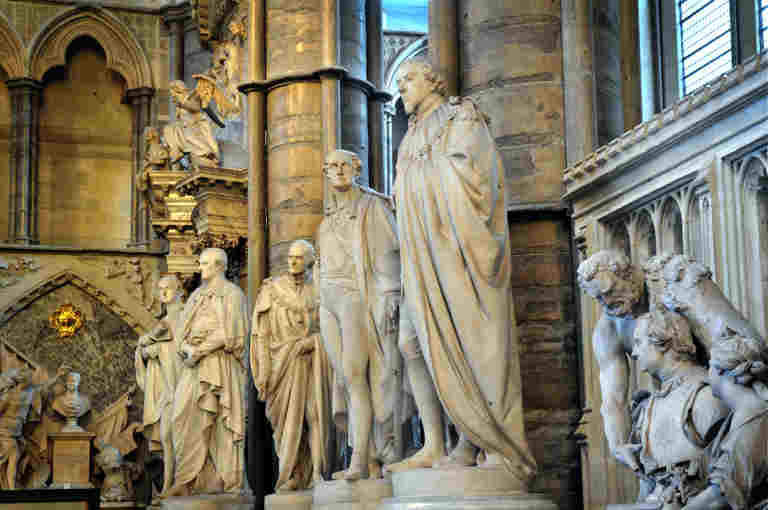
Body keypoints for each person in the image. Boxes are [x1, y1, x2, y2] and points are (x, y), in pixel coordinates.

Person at [384, 59, 536, 485]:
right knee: (412, 342)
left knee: (466, 341)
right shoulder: (410, 135)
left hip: (455, 253)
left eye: (408, 79)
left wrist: (421, 183)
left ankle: (483, 441)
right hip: (420, 255)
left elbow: (474, 179)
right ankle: (435, 442)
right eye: (397, 83)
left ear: (432, 80)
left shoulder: (460, 116)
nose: (402, 88)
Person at [316, 150, 404, 480]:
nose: (338, 171)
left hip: (355, 296)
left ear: (357, 169)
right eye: (332, 166)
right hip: (328, 302)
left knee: (356, 376)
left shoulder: (371, 207)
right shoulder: (325, 222)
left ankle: (362, 458)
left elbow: (387, 251)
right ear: (325, 173)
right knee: (344, 380)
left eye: (344, 165)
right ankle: (363, 458)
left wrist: (391, 292)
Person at [166, 248, 248, 496]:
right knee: (181, 416)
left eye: (204, 264)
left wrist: (200, 349)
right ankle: (187, 478)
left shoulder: (232, 294)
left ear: (219, 266)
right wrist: (186, 347)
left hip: (219, 365)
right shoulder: (196, 296)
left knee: (219, 420)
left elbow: (235, 333)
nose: (200, 268)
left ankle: (223, 481)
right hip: (193, 367)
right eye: (200, 263)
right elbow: (181, 331)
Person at [251, 240, 332, 492]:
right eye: (290, 257)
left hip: (313, 359)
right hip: (281, 363)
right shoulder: (272, 290)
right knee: (286, 422)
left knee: (315, 414)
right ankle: (293, 473)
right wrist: (263, 370)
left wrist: (313, 341)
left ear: (310, 260)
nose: (292, 261)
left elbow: (332, 326)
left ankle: (318, 472)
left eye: (298, 257)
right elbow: (261, 334)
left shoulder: (320, 289)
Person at [628, 308, 728, 507]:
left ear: (663, 341)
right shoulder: (649, 406)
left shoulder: (706, 396)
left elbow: (726, 487)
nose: (634, 352)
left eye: (639, 342)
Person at [577, 250, 647, 470]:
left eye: (609, 291)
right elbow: (613, 400)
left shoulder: (666, 287)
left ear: (626, 274)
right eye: (598, 298)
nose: (606, 302)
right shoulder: (608, 329)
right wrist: (619, 445)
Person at [683, 334, 768, 510]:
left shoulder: (754, 419)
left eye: (709, 366)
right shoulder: (745, 413)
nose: (708, 373)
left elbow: (719, 497)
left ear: (720, 370)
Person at [135, 274, 184, 494]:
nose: (163, 293)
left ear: (179, 290)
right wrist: (145, 351)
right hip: (165, 387)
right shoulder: (162, 321)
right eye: (160, 289)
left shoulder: (184, 315)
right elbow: (146, 347)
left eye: (168, 288)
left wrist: (156, 349)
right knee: (165, 438)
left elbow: (182, 350)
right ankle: (168, 484)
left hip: (180, 385)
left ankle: (178, 483)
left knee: (176, 437)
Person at [163, 80, 220, 170]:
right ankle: (177, 153)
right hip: (186, 129)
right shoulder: (179, 104)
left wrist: (183, 103)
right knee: (170, 130)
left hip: (196, 128)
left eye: (173, 93)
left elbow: (196, 107)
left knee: (195, 144)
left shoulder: (191, 97)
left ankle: (206, 154)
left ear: (178, 90)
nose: (172, 96)